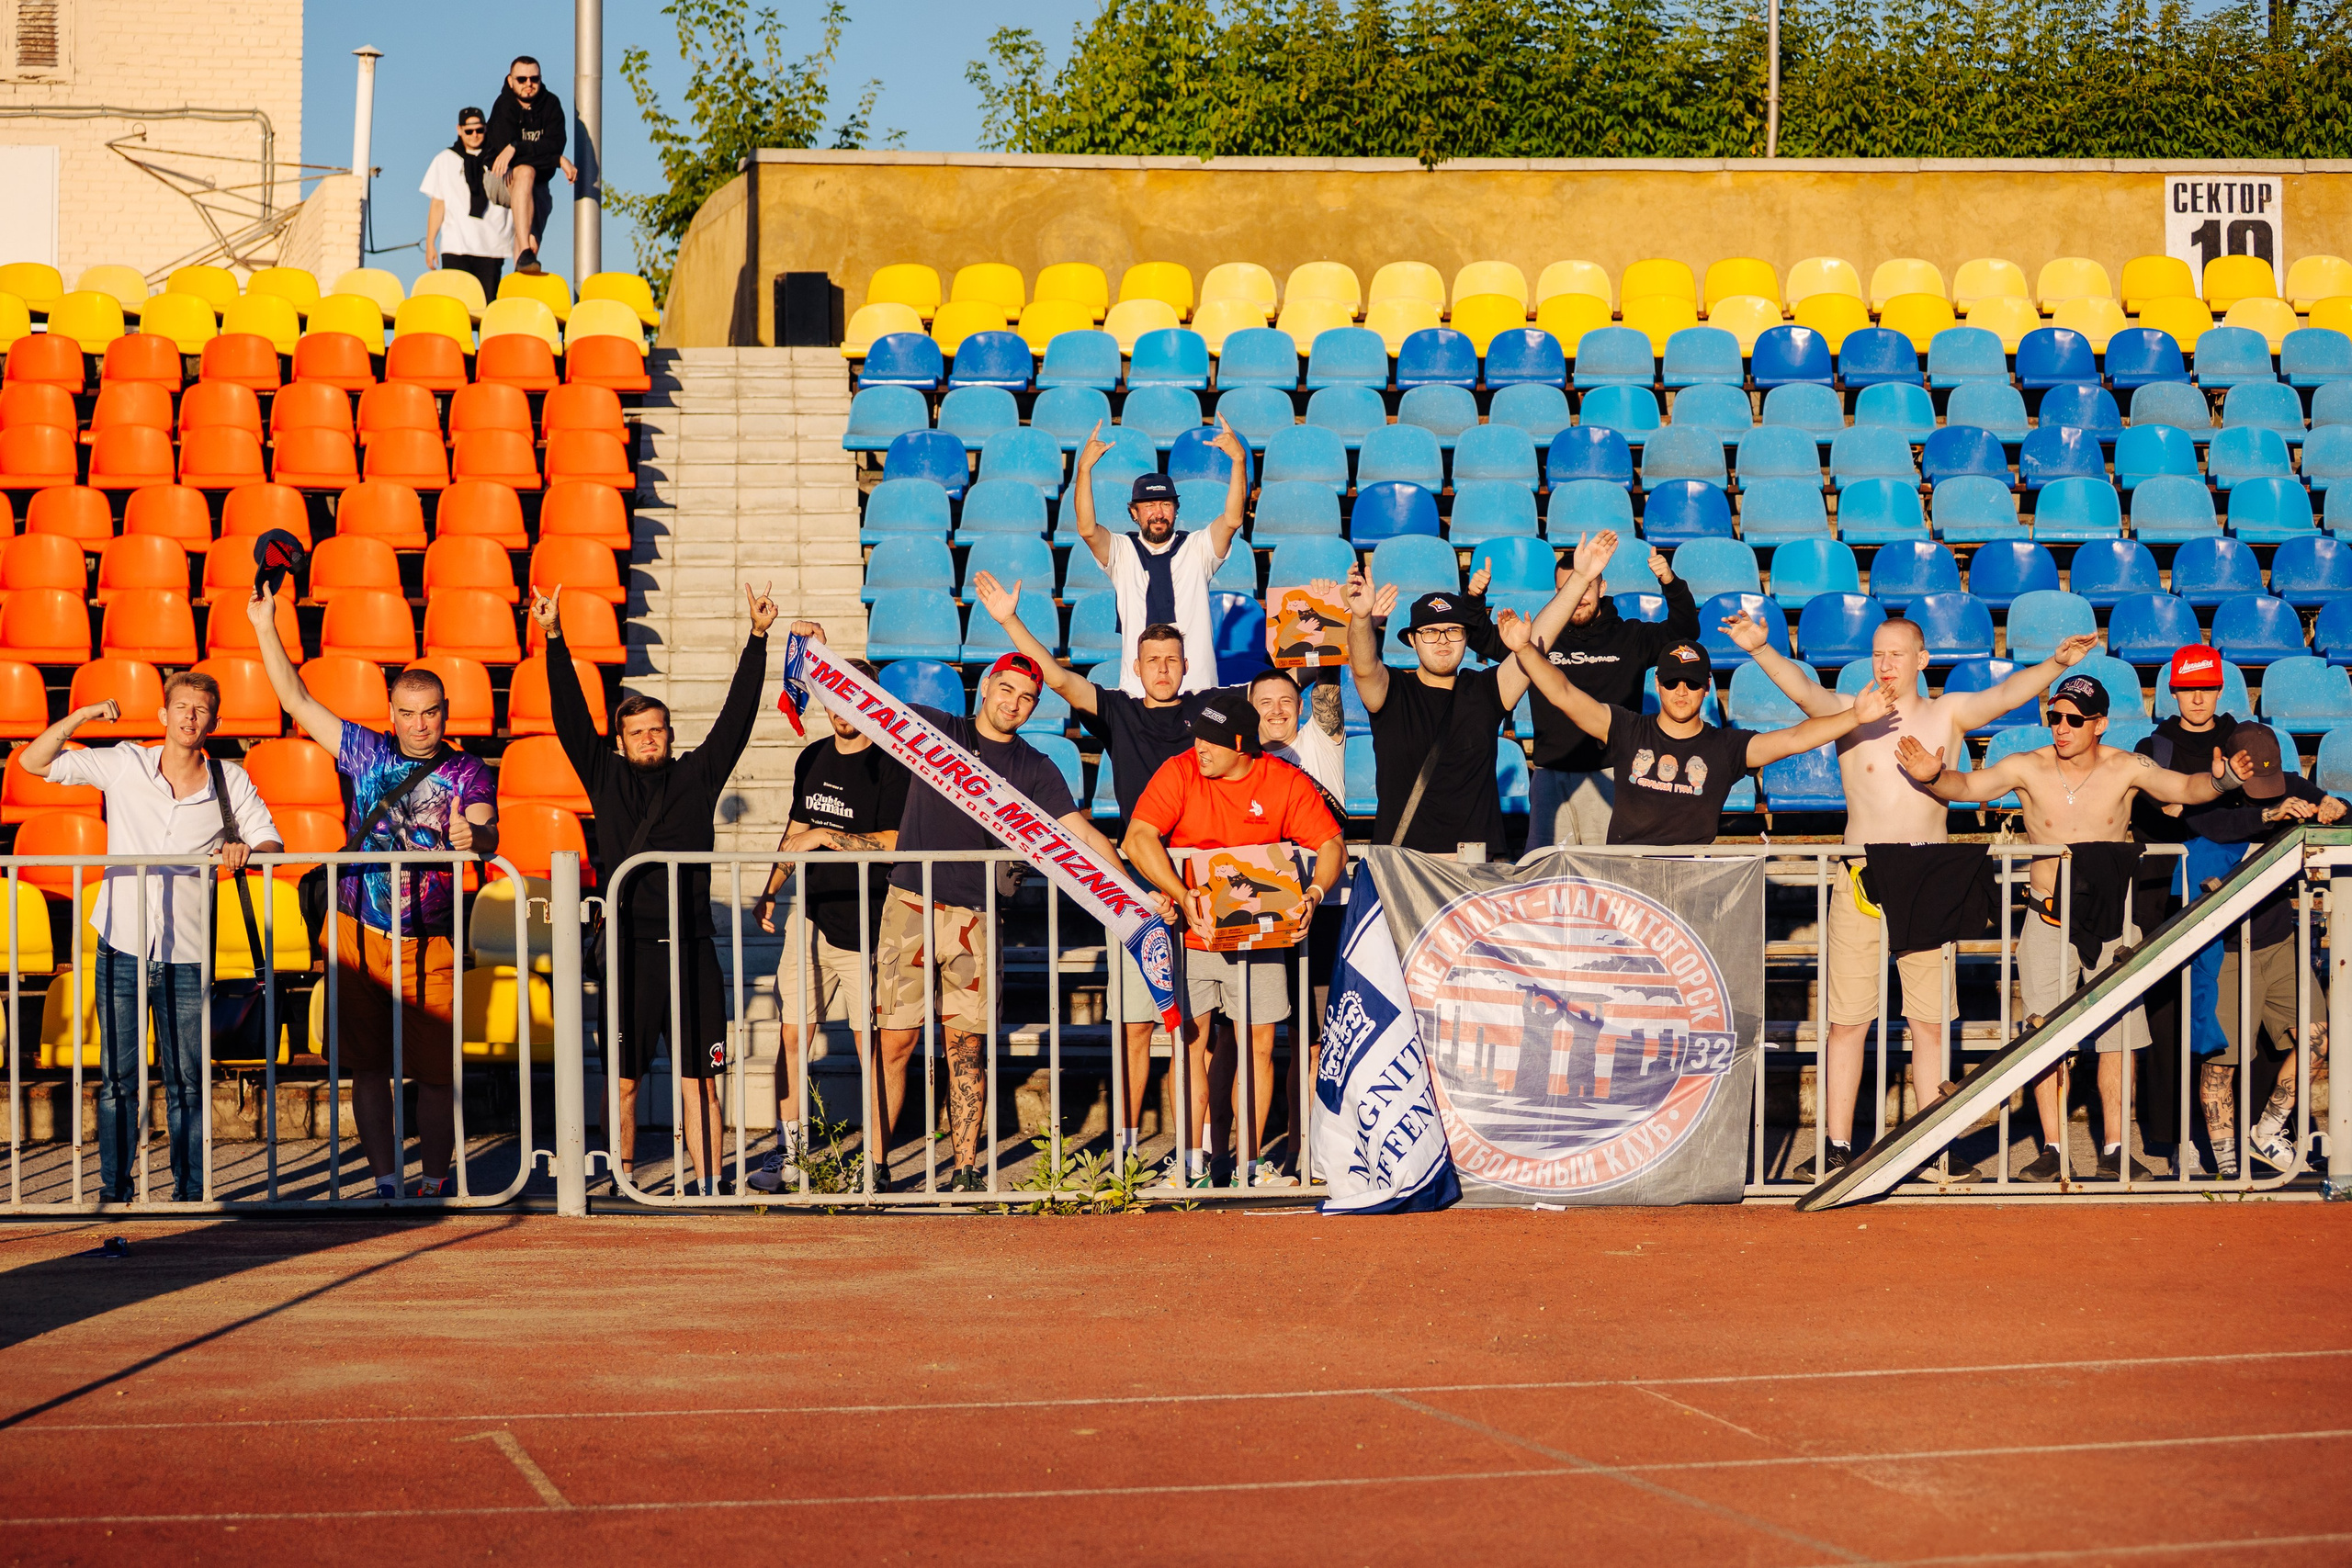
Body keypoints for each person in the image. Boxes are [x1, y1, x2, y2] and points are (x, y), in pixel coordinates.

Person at [1733, 610, 2099, 1174]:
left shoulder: (1947, 713)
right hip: (1859, 874)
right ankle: (1835, 1147)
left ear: (1921, 660)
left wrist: (2055, 663)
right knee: (1847, 1021)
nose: (1884, 665)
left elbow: (2003, 696)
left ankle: (1934, 1144)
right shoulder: (1852, 711)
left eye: (1896, 655)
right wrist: (1761, 650)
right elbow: (1805, 690)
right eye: (1877, 654)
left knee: (1930, 1022)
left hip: (1928, 877)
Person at [1894, 674, 2244, 1181]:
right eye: (2054, 717)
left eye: (2074, 720)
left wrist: (2224, 780)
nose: (2061, 728)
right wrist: (1934, 776)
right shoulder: (2027, 767)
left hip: (2111, 921)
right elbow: (1968, 787)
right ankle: (2054, 1148)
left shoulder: (2126, 767)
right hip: (2047, 918)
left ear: (2099, 724)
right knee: (2043, 1034)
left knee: (2118, 1038)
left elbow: (2186, 789)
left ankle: (2115, 1149)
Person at [247, 590, 497, 1200]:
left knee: (437, 1074)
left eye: (430, 712)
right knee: (369, 1068)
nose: (420, 724)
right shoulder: (366, 752)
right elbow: (295, 698)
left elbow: (487, 828)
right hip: (359, 931)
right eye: (408, 713)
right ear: (391, 712)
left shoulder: (466, 770)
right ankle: (386, 1183)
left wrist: (477, 833)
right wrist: (264, 625)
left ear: (446, 711)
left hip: (432, 937)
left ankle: (435, 1181)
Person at [872, 649, 1151, 1191]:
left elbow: (1083, 834)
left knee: (968, 1048)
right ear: (985, 689)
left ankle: (965, 1169)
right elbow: (861, 703)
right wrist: (813, 650)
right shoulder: (934, 729)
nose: (1015, 704)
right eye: (1006, 690)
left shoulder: (1034, 766)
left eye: (1027, 698)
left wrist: (1131, 891)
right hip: (910, 904)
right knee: (895, 1043)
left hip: (977, 916)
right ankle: (877, 1166)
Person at [531, 581, 776, 1198]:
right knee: (625, 1077)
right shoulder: (605, 776)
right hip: (629, 951)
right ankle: (623, 1178)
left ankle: (713, 1182)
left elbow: (737, 719)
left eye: (657, 730)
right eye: (637, 731)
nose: (648, 738)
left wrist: (757, 639)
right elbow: (567, 716)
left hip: (693, 948)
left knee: (703, 1078)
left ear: (670, 735)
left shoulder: (698, 774)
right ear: (620, 740)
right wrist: (554, 638)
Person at [968, 570, 1204, 1157]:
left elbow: (1274, 707)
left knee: (1194, 1029)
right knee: (1133, 1026)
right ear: (1137, 665)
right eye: (1151, 660)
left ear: (1185, 666)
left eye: (1172, 660)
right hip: (1137, 880)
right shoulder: (1120, 711)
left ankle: (1194, 1153)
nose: (1162, 669)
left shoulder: (1206, 715)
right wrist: (1006, 621)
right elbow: (1057, 679)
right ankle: (1125, 1149)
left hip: (1201, 874)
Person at [21, 677, 282, 1203]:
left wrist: (244, 849)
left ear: (215, 723)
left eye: (201, 710)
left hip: (187, 951)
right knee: (119, 1082)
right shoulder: (124, 763)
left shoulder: (230, 781)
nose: (190, 717)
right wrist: (85, 714)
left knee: (187, 1080)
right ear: (163, 716)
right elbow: (33, 762)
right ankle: (116, 1195)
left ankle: (189, 1195)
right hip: (121, 943)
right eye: (181, 707)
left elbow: (271, 840)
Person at [1124, 694, 1345, 1186]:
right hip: (1192, 934)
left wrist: (1313, 893)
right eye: (1198, 736)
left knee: (1258, 1046)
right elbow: (1138, 837)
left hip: (1259, 938)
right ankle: (1190, 1164)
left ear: (1242, 746)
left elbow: (1331, 843)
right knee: (1189, 1045)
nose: (1200, 747)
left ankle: (1248, 1165)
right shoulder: (1180, 770)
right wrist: (1182, 895)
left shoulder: (1282, 779)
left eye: (1213, 741)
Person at [747, 657, 909, 1193]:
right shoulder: (813, 756)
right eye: (836, 695)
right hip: (811, 919)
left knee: (875, 1050)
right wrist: (772, 887)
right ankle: (790, 1158)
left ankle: (876, 1166)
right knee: (793, 1037)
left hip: (874, 925)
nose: (845, 708)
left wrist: (826, 838)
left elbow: (894, 844)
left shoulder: (891, 762)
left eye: (856, 696)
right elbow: (795, 829)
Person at [1509, 633, 1894, 846]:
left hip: (1693, 883)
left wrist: (1856, 716)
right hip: (1626, 880)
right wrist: (1524, 649)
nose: (1681, 691)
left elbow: (1794, 738)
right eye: (1672, 681)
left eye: (1692, 683)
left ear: (1707, 688)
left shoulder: (1724, 748)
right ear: (1657, 683)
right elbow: (1563, 693)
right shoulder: (1627, 729)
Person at [1464, 529, 1700, 847]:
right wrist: (1474, 598)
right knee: (1548, 880)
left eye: (1586, 587)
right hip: (1550, 777)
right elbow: (1481, 638)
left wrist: (1671, 584)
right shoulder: (1537, 639)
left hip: (1613, 776)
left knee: (1607, 881)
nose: (1578, 598)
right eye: (1568, 590)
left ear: (1602, 587)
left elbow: (1685, 633)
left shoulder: (1631, 636)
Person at [2177, 723, 2340, 1176]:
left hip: (2277, 939)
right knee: (2220, 1063)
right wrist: (2270, 817)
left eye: (2271, 788)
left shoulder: (2285, 783)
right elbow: (2208, 823)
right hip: (2224, 949)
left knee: (2319, 1037)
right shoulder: (2205, 789)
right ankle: (2228, 1171)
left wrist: (2333, 806)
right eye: (2256, 788)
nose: (2267, 795)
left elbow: (2336, 806)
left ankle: (2266, 1132)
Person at [2130, 644, 2245, 1161]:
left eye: (2205, 687)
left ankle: (2230, 1137)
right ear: (2171, 691)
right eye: (2186, 687)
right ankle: (2173, 1137)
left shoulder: (2245, 741)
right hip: (2165, 896)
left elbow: (2262, 803)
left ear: (2219, 689)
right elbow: (2147, 817)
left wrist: (2193, 809)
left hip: (2237, 893)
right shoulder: (2152, 746)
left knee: (2228, 1010)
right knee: (2168, 1015)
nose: (2196, 697)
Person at [1346, 565, 1538, 861]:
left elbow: (1541, 644)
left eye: (1453, 630)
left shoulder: (1486, 689)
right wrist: (1361, 620)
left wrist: (1579, 580)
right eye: (1430, 632)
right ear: (1412, 640)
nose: (1443, 640)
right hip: (1404, 863)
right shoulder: (1393, 690)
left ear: (1466, 637)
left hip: (1475, 864)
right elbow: (1363, 667)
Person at [1069, 418, 1249, 695]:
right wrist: (1083, 469)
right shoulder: (1121, 550)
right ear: (1134, 512)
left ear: (1176, 510)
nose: (1158, 513)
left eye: (1165, 504)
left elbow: (1233, 519)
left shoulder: (1197, 546)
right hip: (1138, 694)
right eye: (1149, 505)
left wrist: (1238, 461)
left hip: (1198, 690)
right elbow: (1087, 529)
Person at [482, 55, 575, 276]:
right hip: (500, 178)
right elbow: (514, 161)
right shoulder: (504, 105)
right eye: (521, 79)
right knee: (524, 170)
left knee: (532, 245)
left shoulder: (551, 104)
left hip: (539, 184)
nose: (528, 84)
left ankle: (522, 270)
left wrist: (517, 147)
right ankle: (524, 250)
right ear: (510, 80)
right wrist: (555, 160)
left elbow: (555, 144)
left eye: (534, 79)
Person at [420, 107, 513, 298]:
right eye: (469, 131)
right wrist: (430, 243)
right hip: (457, 246)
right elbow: (438, 203)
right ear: (459, 130)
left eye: (479, 130)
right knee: (456, 308)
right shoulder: (445, 160)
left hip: (492, 246)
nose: (474, 135)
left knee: (487, 309)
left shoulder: (501, 158)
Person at [1248, 666, 1343, 810]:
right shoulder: (1242, 761)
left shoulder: (1320, 740)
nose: (1277, 710)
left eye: (1285, 701)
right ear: (1251, 709)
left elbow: (1328, 670)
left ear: (1300, 706)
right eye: (1266, 702)